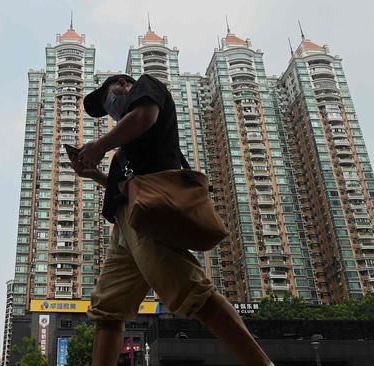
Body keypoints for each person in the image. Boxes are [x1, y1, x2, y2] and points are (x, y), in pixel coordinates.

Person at [74, 74, 274, 366]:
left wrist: (100, 146)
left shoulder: (146, 87)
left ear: (122, 84)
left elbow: (144, 116)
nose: (110, 109)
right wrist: (95, 174)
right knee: (107, 310)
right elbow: (126, 188)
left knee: (192, 292)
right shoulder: (124, 149)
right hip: (124, 225)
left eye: (107, 100)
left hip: (150, 216)